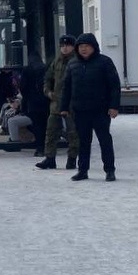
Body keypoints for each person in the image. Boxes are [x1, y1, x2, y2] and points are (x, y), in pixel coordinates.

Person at [59, 33, 121, 181]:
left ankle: (109, 170)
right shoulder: (73, 64)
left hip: (100, 110)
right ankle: (83, 170)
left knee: (105, 141)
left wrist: (114, 106)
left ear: (94, 47)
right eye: (81, 47)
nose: (84, 49)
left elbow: (114, 86)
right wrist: (64, 107)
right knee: (83, 142)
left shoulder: (105, 62)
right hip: (80, 110)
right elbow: (66, 87)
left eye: (87, 46)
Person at [36, 35, 80, 170]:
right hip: (56, 102)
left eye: (67, 45)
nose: (65, 48)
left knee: (73, 132)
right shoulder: (57, 61)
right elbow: (48, 77)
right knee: (51, 131)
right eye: (62, 46)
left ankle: (72, 159)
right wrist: (48, 92)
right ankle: (50, 158)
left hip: (72, 104)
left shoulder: (77, 61)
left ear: (73, 46)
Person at [19, 50, 50, 158]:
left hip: (33, 102)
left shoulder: (27, 70)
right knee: (46, 124)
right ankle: (47, 147)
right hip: (46, 101)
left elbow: (22, 86)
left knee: (37, 125)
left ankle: (40, 148)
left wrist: (26, 98)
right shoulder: (45, 68)